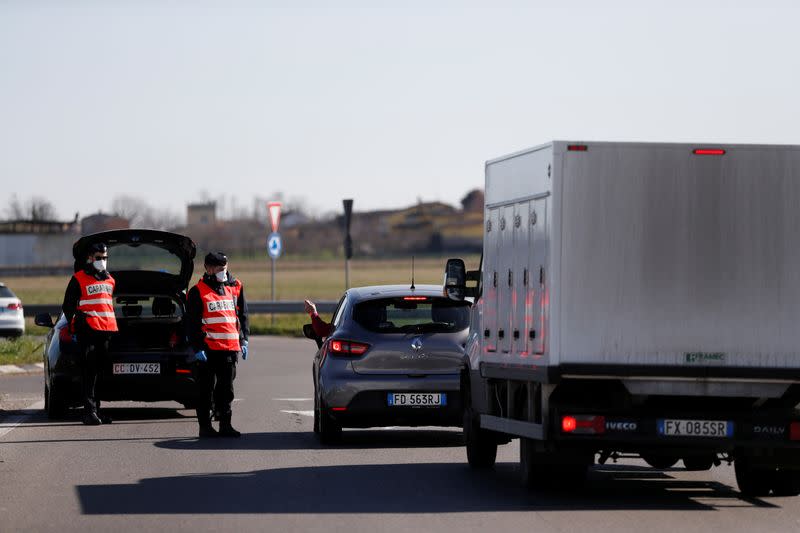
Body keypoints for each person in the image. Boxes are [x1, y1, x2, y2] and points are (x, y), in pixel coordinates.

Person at [186, 251, 249, 438]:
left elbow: (243, 315)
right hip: (208, 350)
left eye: (225, 268)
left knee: (226, 390)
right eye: (220, 268)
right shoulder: (198, 291)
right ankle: (205, 427)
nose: (224, 271)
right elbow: (192, 323)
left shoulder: (235, 286)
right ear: (209, 268)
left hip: (229, 349)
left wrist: (244, 339)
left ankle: (225, 424)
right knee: (205, 390)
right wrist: (197, 348)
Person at [62, 242, 118, 425]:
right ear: (90, 258)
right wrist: (75, 324)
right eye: (99, 258)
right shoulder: (78, 278)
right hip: (88, 331)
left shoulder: (110, 279)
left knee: (101, 373)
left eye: (105, 258)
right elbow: (68, 306)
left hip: (107, 330)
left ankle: (98, 411)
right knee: (89, 372)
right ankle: (89, 412)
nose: (102, 261)